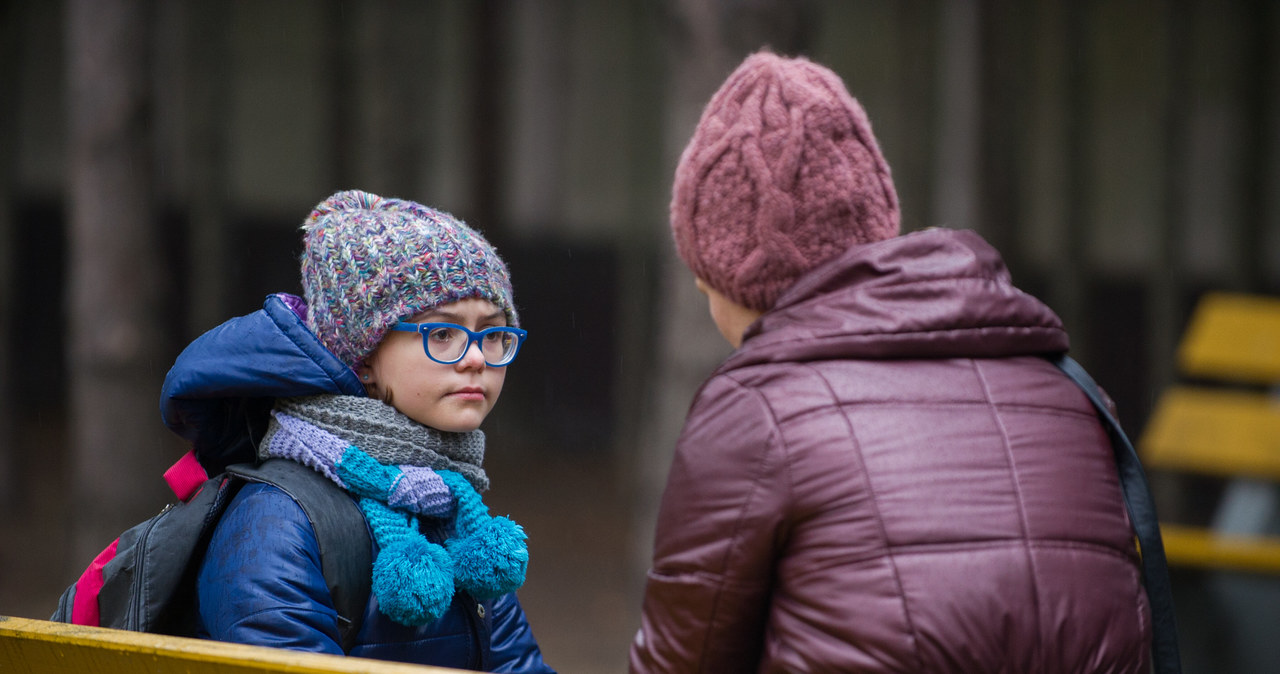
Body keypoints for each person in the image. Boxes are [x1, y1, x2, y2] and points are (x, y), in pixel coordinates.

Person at [629, 52, 1152, 673]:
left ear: (724, 274)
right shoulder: (1068, 390)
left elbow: (681, 664)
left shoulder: (755, 410)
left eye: (700, 268)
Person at [160, 189, 555, 672]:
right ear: (364, 357)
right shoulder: (276, 521)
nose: (476, 358)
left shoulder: (447, 504)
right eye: (443, 333)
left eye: (493, 334)